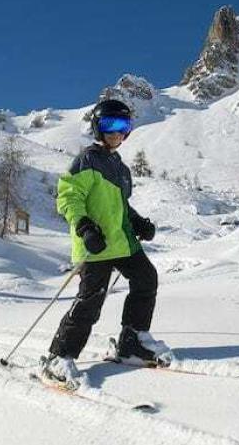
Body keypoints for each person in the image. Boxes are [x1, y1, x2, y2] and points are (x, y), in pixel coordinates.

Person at [42, 99, 167, 384]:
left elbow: (120, 205)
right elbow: (68, 196)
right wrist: (84, 226)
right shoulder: (88, 159)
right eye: (110, 125)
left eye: (123, 126)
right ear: (98, 127)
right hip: (95, 244)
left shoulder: (120, 167)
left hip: (122, 242)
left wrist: (138, 222)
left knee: (146, 279)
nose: (116, 132)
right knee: (91, 302)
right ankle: (59, 357)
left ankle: (132, 341)